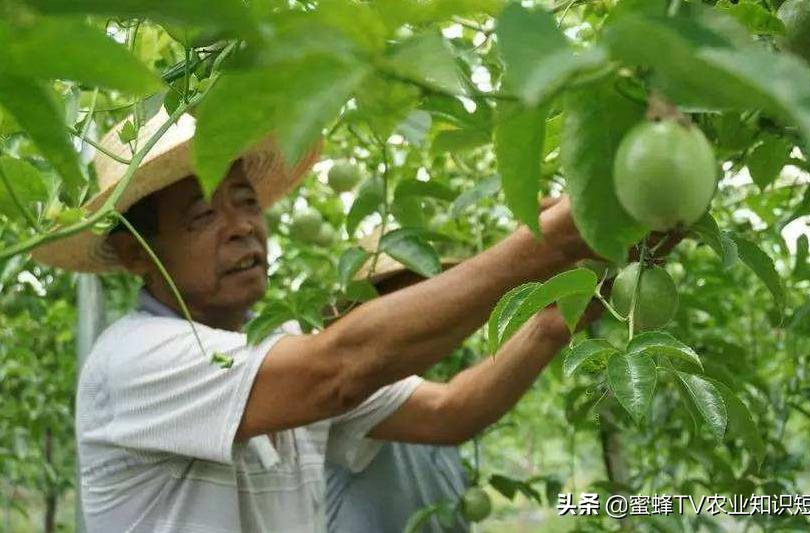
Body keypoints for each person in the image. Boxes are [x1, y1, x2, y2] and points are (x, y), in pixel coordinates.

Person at [31, 110, 601, 533]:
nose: (241, 227)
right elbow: (338, 369)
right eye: (203, 215)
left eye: (247, 202)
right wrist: (553, 239)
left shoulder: (276, 346)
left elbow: (451, 411)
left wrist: (560, 312)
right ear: (136, 255)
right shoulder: (133, 359)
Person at [325, 241, 470, 533]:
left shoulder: (441, 417)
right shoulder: (355, 394)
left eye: (432, 299)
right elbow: (450, 411)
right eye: (403, 302)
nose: (423, 316)